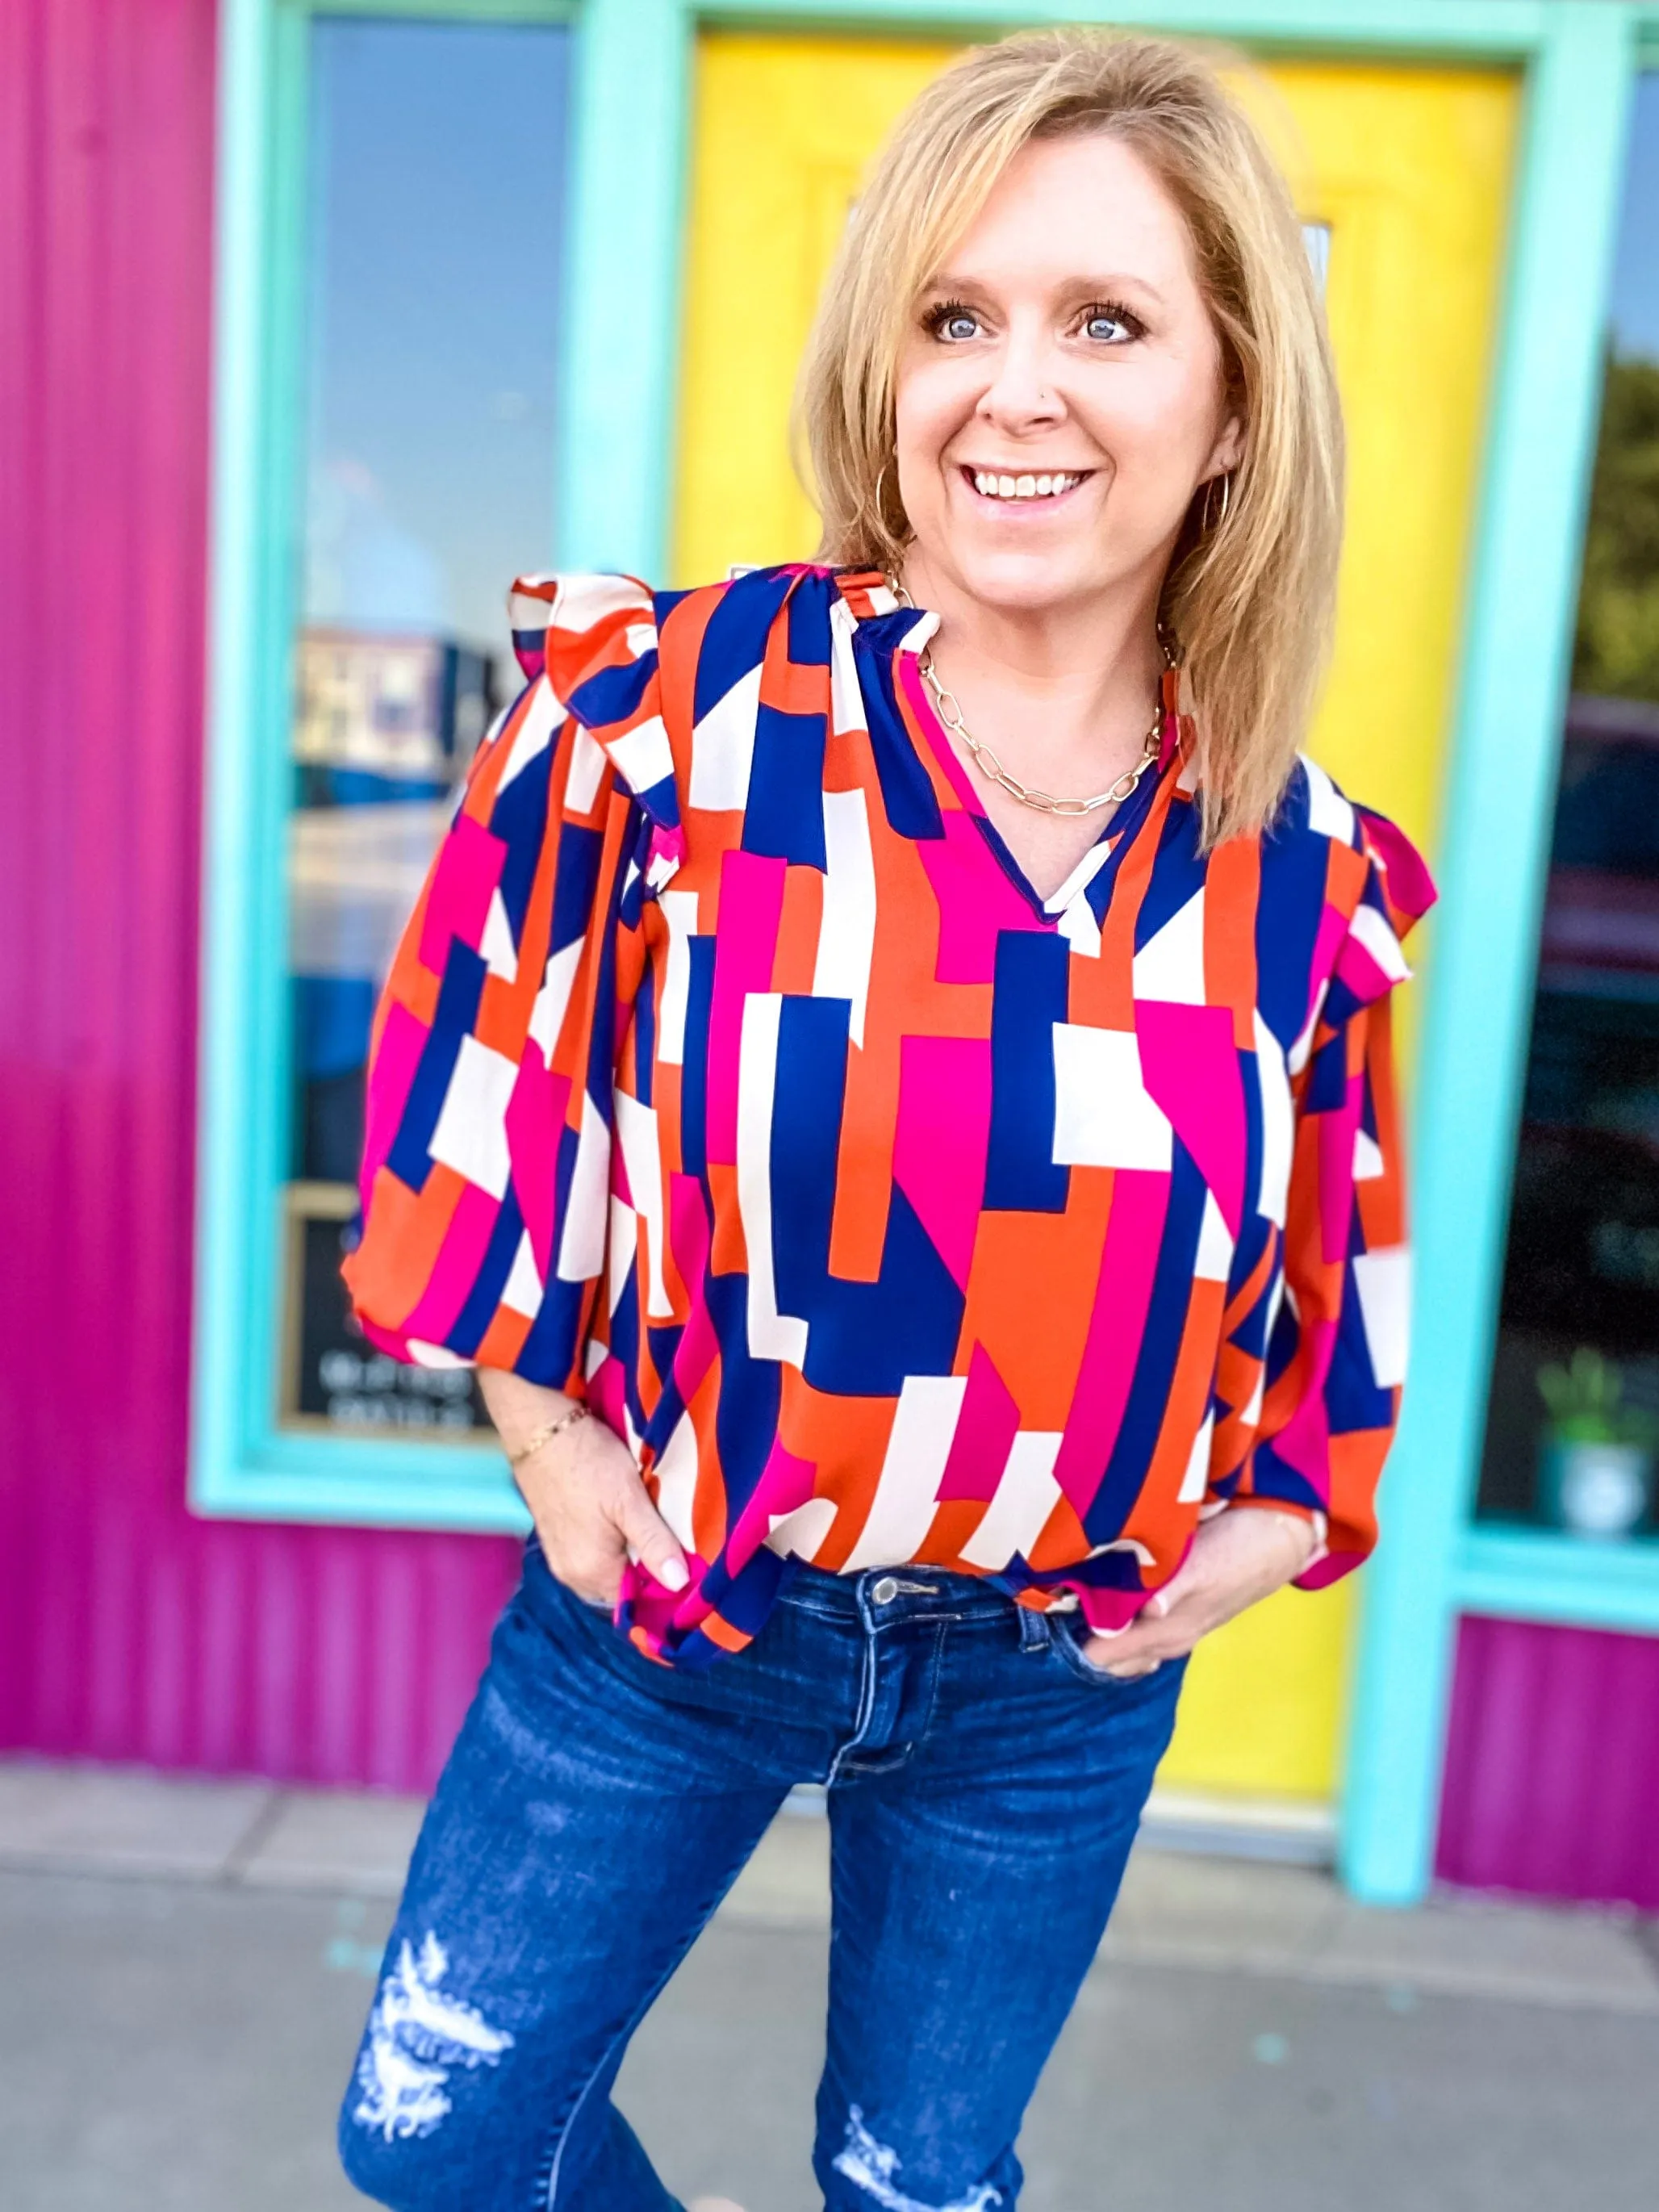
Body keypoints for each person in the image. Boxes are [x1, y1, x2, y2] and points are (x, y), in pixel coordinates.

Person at [336, 27, 1433, 2212]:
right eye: (954, 315)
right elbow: (485, 1056)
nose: (1010, 386)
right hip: (678, 1620)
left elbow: (1338, 1243)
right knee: (440, 2131)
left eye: (1103, 321)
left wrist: (1271, 1526)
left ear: (1229, 410)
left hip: (1049, 1682)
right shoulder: (666, 719)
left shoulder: (1306, 868)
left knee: (921, 2186)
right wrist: (549, 1437)